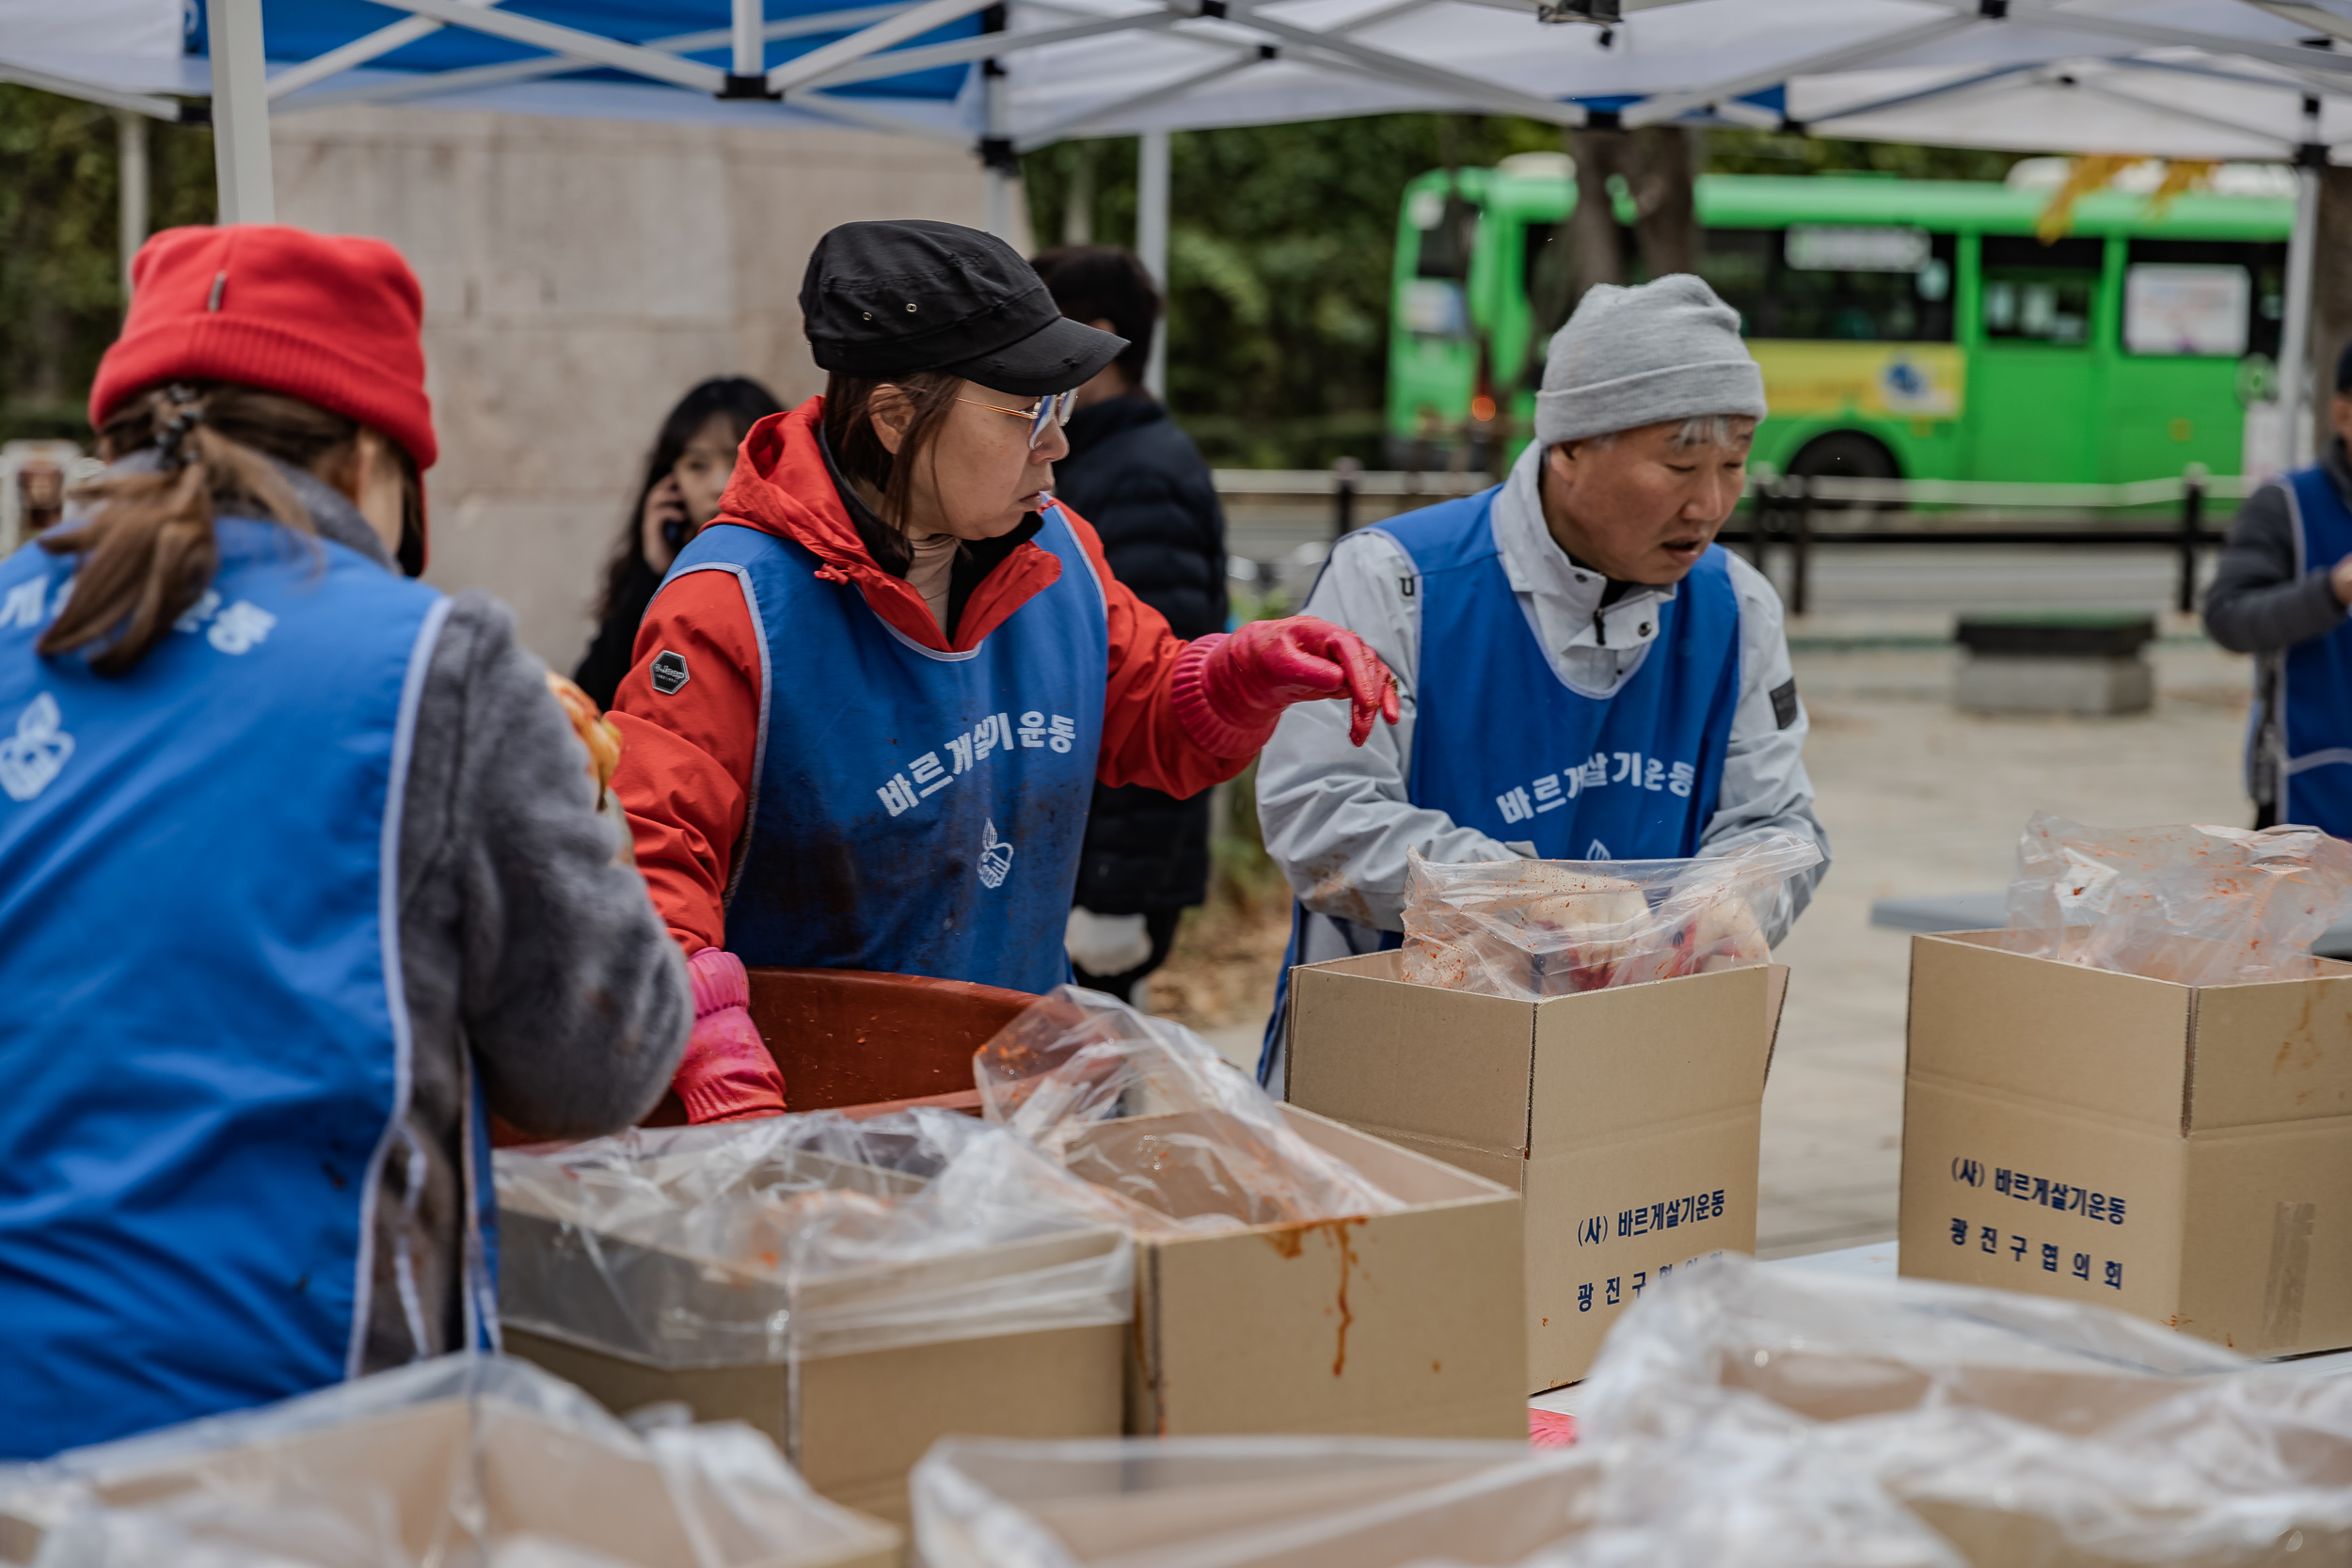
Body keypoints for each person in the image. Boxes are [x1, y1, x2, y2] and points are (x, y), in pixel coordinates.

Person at [0, 226, 690, 1459]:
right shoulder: (436, 661)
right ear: (375, 454)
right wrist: (579, 792)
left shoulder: (8, 635)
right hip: (290, 1437)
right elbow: (603, 1061)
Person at [607, 219, 1398, 1122]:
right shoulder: (733, 604)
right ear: (897, 417)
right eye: (1030, 412)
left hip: (1025, 1095)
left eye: (1065, 407)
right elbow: (650, 860)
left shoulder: (1057, 553)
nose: (1058, 445)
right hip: (809, 1116)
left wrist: (1240, 676)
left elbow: (1152, 718)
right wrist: (712, 1048)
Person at [1255, 274, 1831, 1087]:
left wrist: (1737, 900)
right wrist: (1525, 897)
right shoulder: (1399, 582)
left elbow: (1778, 819)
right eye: (1678, 465)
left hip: (1622, 1069)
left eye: (1734, 464)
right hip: (1397, 1064)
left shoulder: (1735, 605)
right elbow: (1319, 815)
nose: (1709, 503)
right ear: (1568, 447)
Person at [1031, 243, 1227, 1001]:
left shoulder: (1141, 473)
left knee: (1084, 1093)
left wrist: (1116, 890)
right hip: (1073, 861)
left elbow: (1157, 688)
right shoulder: (1097, 459)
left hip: (1104, 875)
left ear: (1097, 337)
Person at [2203, 341, 2352, 834]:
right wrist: (2331, 592)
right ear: (2343, 414)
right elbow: (2227, 617)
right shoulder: (2286, 505)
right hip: (2306, 790)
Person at [575, 376, 784, 708]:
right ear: (670, 482)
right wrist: (652, 574)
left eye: (738, 461)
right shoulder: (658, 573)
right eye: (697, 465)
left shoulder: (805, 570)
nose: (719, 485)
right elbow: (593, 703)